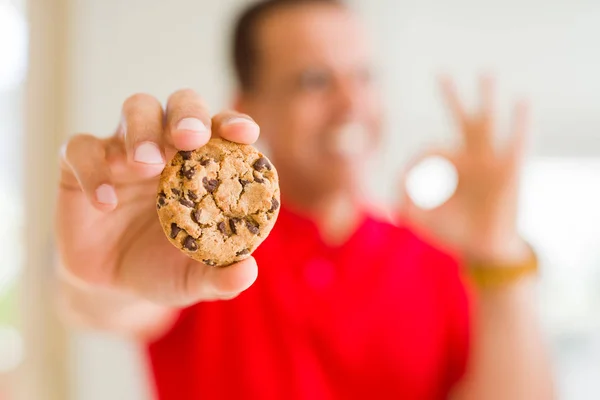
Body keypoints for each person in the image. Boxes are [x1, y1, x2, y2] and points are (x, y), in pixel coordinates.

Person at [56, 0, 553, 399]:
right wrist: (98, 276)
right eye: (314, 80)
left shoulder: (441, 261)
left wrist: (498, 250)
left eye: (364, 76)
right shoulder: (196, 256)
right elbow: (109, 304)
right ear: (250, 107)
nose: (351, 104)